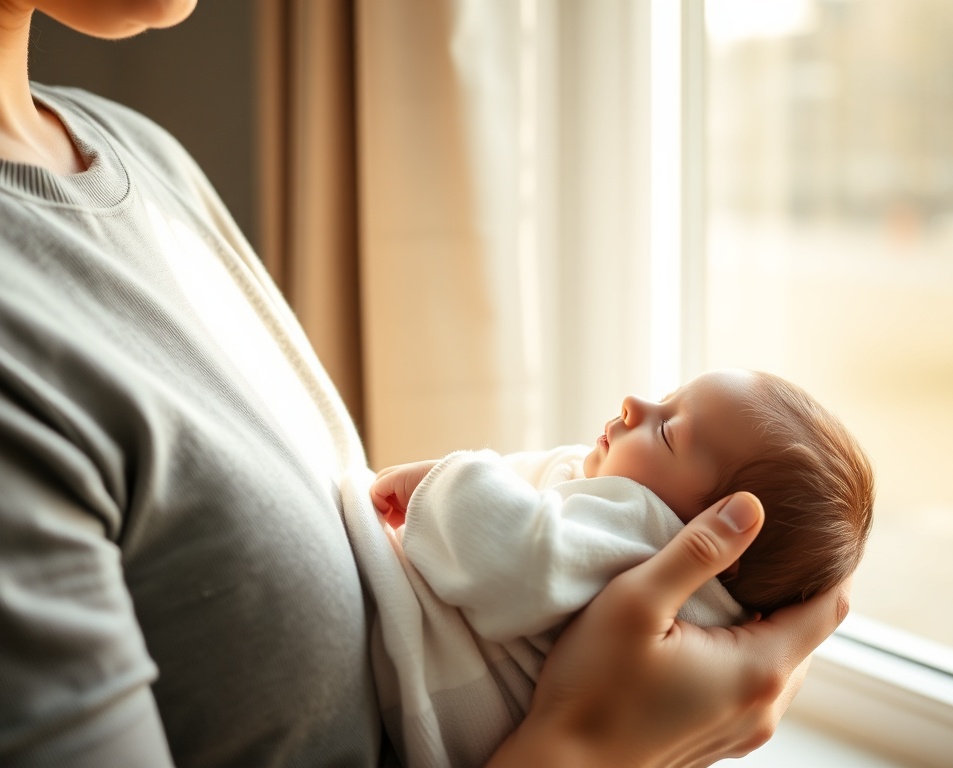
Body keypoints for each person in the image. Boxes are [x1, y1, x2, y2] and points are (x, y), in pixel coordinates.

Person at [0, 2, 852, 766]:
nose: (637, 407)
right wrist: (585, 754)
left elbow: (506, 544)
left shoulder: (143, 160)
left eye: (670, 428)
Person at [354, 368, 873, 766]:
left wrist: (445, 480)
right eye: (665, 397)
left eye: (669, 431)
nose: (634, 404)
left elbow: (523, 560)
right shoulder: (700, 630)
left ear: (717, 531)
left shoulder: (642, 525)